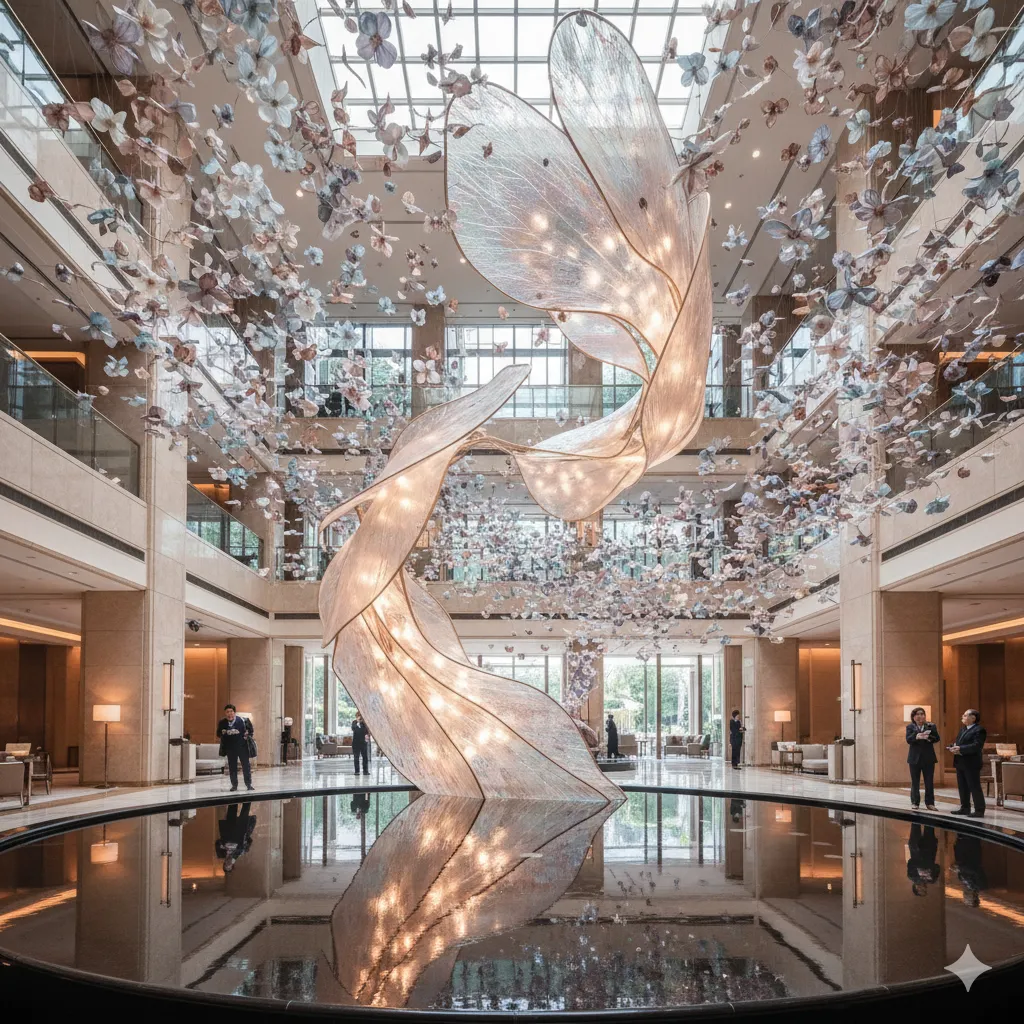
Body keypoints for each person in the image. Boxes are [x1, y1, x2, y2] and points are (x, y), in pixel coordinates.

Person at [949, 709, 987, 817]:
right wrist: (953, 747)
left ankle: (979, 810)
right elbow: (959, 743)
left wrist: (960, 748)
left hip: (972, 763)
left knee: (974, 787)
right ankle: (965, 808)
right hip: (960, 762)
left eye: (965, 715)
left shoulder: (979, 730)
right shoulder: (963, 729)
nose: (962, 716)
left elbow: (977, 745)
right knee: (963, 787)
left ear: (973, 718)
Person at [905, 706, 940, 810]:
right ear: (913, 717)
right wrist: (916, 736)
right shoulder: (910, 727)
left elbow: (937, 738)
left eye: (922, 714)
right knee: (915, 781)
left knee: (929, 781)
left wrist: (928, 737)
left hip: (928, 758)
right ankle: (915, 802)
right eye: (918, 714)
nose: (920, 716)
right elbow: (908, 739)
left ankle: (930, 803)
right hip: (914, 758)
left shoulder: (931, 726)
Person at [217, 703, 254, 792]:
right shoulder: (222, 722)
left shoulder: (243, 720)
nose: (229, 714)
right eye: (227, 712)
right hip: (230, 748)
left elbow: (251, 731)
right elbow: (218, 734)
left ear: (234, 712)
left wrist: (247, 734)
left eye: (231, 711)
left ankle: (248, 784)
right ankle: (234, 785)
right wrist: (223, 732)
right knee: (232, 767)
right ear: (225, 713)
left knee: (246, 766)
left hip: (242, 747)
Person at [215, 802, 255, 873]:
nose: (228, 865)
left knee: (232, 810)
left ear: (224, 864)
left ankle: (234, 798)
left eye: (226, 866)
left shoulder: (221, 854)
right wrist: (244, 841)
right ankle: (247, 798)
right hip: (240, 832)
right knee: (245, 812)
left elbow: (217, 843)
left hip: (229, 831)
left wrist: (223, 845)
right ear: (232, 865)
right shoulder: (240, 853)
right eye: (229, 867)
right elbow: (249, 841)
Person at [906, 822, 940, 897]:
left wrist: (921, 868)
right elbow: (937, 867)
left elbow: (910, 862)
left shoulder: (912, 876)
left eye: (922, 890)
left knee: (915, 825)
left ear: (916, 888)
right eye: (925, 891)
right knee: (929, 825)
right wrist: (929, 869)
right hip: (930, 849)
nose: (925, 888)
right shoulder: (932, 880)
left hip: (916, 848)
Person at [352, 711, 370, 776]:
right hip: (355, 743)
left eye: (361, 716)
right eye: (358, 716)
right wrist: (358, 722)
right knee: (356, 757)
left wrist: (367, 738)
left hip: (363, 743)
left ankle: (365, 771)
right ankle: (357, 771)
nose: (360, 718)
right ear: (356, 717)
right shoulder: (354, 722)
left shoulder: (365, 723)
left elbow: (366, 731)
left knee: (365, 757)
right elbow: (354, 729)